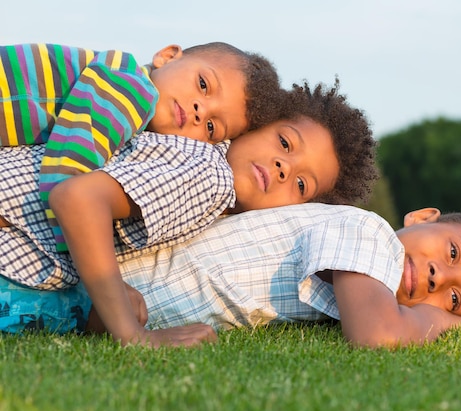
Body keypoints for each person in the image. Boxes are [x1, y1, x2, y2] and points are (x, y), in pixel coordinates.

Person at [0, 81, 379, 347]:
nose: (283, 168)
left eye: (300, 185)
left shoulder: (201, 178)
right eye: (284, 143)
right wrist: (132, 335)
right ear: (255, 124)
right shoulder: (208, 175)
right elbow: (77, 198)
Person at [0, 203, 461, 349]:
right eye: (451, 252)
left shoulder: (363, 279)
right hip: (69, 276)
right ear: (422, 218)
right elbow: (378, 338)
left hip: (94, 297)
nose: (440, 278)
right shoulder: (365, 229)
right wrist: (448, 324)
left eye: (456, 299)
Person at [0, 42, 284, 251]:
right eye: (203, 84)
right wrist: (76, 250)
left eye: (211, 127)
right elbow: (70, 165)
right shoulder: (132, 88)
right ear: (167, 56)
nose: (200, 110)